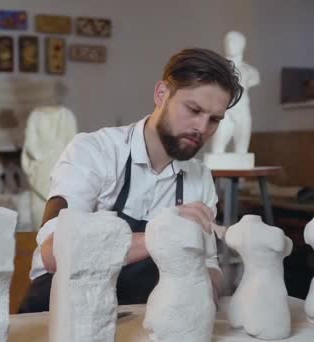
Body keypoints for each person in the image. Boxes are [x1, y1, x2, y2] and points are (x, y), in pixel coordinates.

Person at [18, 48, 243, 313]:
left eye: (214, 119)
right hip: (60, 317)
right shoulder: (92, 152)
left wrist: (210, 292)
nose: (202, 128)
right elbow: (53, 252)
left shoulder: (199, 178)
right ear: (162, 94)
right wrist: (161, 234)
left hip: (140, 320)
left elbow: (208, 265)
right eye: (193, 109)